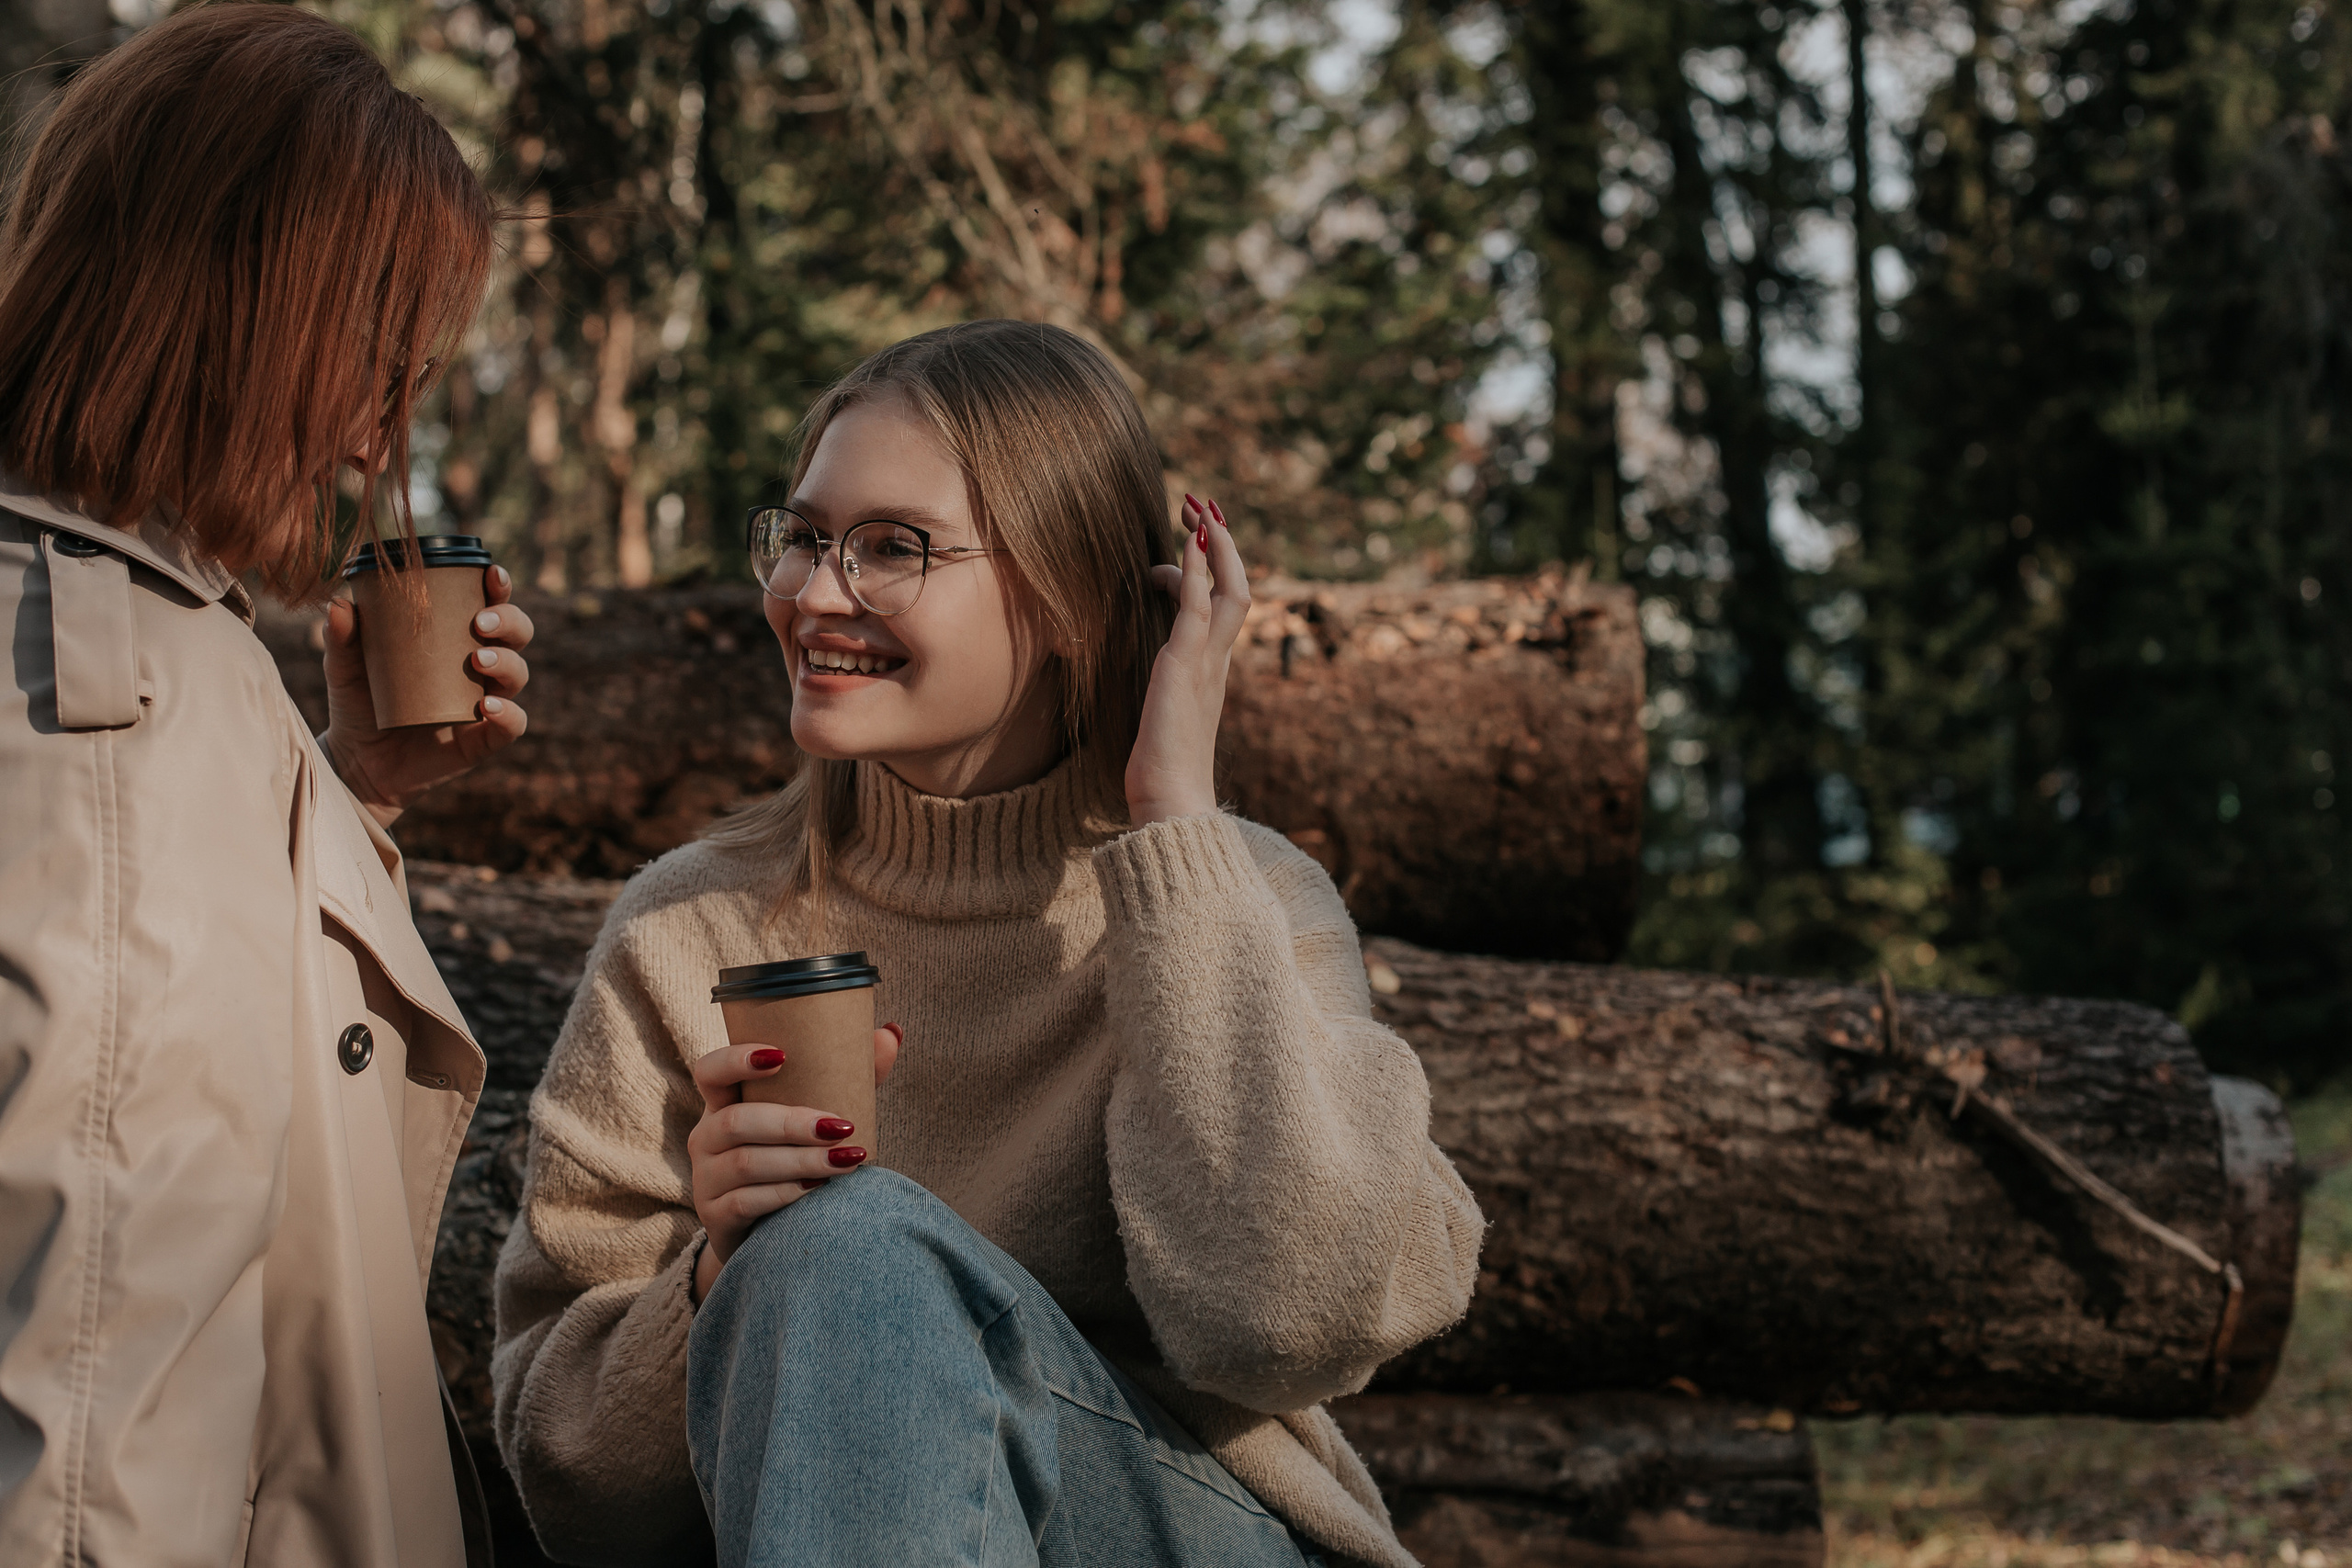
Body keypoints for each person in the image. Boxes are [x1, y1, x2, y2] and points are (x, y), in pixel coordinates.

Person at [492, 321, 1484, 1567]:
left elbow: (1291, 1323)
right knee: (839, 1253)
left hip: (1193, 1535)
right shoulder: (687, 931)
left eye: (891, 548)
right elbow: (568, 1486)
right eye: (803, 537)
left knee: (850, 1244)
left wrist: (1176, 821)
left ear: (1070, 602)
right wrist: (717, 1283)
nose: (813, 593)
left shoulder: (1244, 900)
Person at [0, 8, 533, 1564]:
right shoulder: (113, 698)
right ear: (234, 308)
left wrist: (352, 796)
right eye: (378, 357)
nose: (378, 434)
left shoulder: (129, 632)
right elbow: (91, 1409)